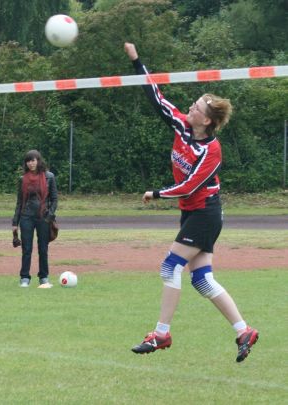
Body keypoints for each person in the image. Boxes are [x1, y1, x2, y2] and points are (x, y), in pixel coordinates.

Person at [124, 42, 258, 362]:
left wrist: (157, 193)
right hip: (193, 214)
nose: (191, 108)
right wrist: (137, 61)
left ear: (207, 121)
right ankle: (244, 331)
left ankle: (161, 334)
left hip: (204, 213)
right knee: (202, 279)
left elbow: (189, 187)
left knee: (170, 266)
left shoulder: (211, 151)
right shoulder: (183, 126)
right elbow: (156, 98)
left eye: (197, 108)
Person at [12, 150, 58, 288]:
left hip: (43, 217)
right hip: (26, 217)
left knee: (43, 248)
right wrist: (15, 222)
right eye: (28, 161)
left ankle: (43, 277)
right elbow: (20, 202)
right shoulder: (22, 179)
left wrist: (50, 215)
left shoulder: (49, 176)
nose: (31, 163)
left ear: (38, 161)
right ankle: (24, 278)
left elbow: (54, 199)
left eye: (33, 160)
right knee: (26, 249)